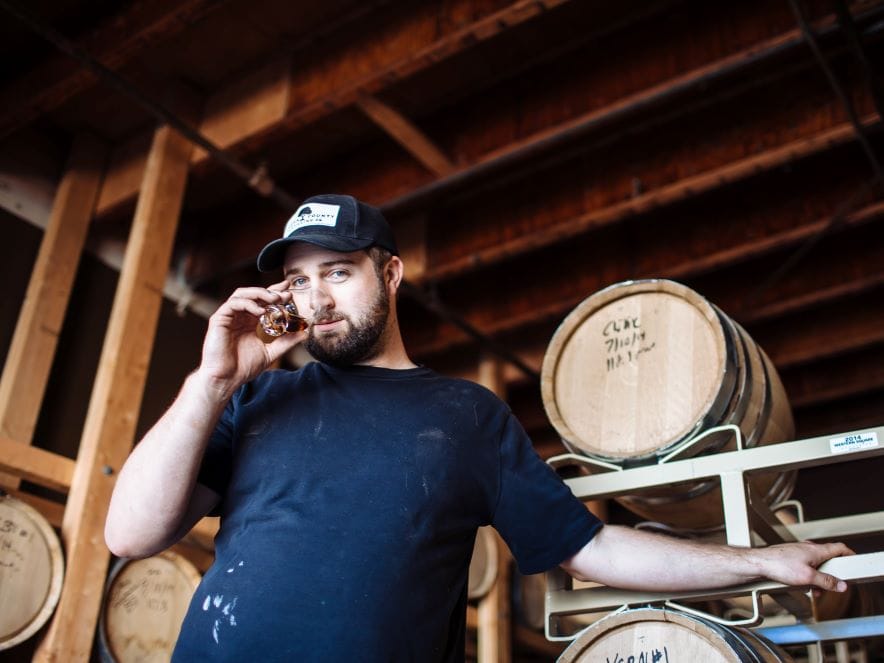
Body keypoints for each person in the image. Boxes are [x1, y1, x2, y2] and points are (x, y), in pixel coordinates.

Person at [105, 194, 852, 662]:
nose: (316, 299)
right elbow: (130, 534)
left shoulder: (465, 415)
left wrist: (761, 562)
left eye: (338, 272)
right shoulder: (256, 399)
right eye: (299, 280)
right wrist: (210, 382)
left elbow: (589, 547)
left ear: (390, 274)